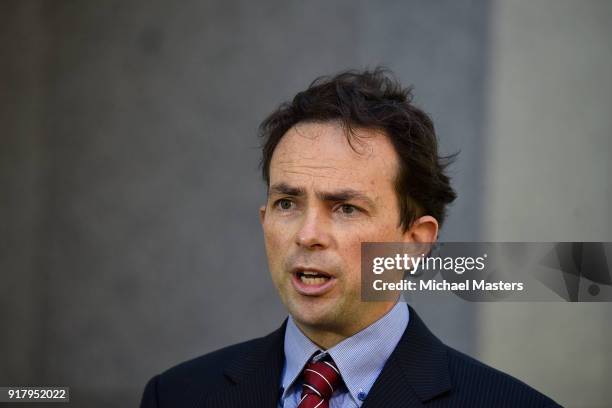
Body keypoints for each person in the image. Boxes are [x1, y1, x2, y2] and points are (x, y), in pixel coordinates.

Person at [140, 68, 560, 407]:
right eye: (287, 203)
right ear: (265, 218)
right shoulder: (177, 395)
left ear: (414, 242)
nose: (307, 235)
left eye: (345, 208)